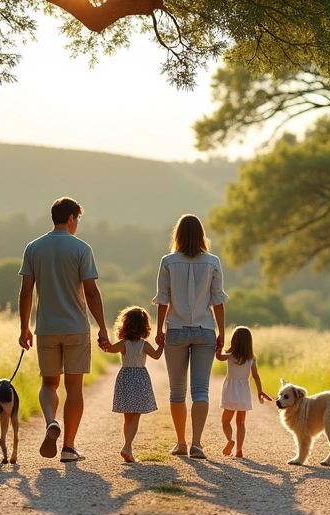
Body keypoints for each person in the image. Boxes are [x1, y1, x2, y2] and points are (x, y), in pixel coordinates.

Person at [18, 197, 109, 463]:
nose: (77, 223)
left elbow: (26, 291)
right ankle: (69, 448)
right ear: (71, 218)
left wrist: (24, 327)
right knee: (74, 387)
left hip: (46, 328)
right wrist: (103, 328)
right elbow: (91, 293)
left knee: (49, 383)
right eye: (78, 219)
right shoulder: (81, 248)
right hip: (76, 329)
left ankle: (50, 422)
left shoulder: (33, 247)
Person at [153, 214, 228, 460]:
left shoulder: (168, 261)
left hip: (175, 329)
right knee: (201, 390)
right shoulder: (213, 261)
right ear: (201, 235)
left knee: (177, 391)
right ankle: (197, 444)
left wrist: (159, 330)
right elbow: (218, 301)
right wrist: (222, 333)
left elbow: (163, 298)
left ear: (178, 235)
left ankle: (181, 442)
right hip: (205, 330)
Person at [108, 306, 163, 463]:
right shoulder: (144, 345)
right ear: (144, 326)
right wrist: (162, 344)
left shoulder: (123, 344)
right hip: (139, 379)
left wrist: (103, 343)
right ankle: (127, 446)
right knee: (135, 416)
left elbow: (109, 349)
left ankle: (128, 448)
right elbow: (157, 355)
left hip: (125, 377)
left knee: (127, 417)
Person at [215, 326, 273, 458]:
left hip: (230, 391)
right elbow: (255, 376)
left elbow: (218, 357)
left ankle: (230, 440)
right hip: (244, 392)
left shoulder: (229, 356)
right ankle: (239, 450)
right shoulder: (251, 359)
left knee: (225, 421)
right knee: (241, 422)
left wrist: (218, 346)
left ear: (234, 341)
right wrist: (260, 391)